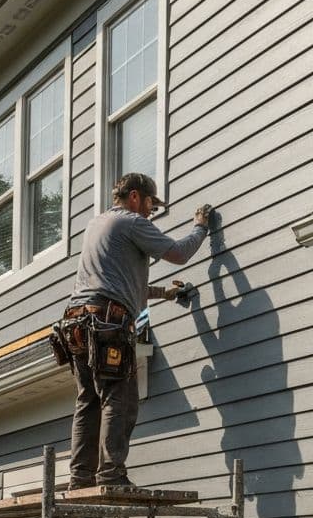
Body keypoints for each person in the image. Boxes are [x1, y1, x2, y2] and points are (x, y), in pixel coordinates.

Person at [65, 173, 212, 490]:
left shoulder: (97, 225)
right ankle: (112, 474)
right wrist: (200, 227)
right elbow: (178, 253)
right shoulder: (131, 222)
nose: (151, 212)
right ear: (135, 197)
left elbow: (124, 285)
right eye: (150, 204)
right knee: (121, 399)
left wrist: (166, 294)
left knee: (88, 400)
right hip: (107, 322)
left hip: (78, 323)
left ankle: (79, 477)